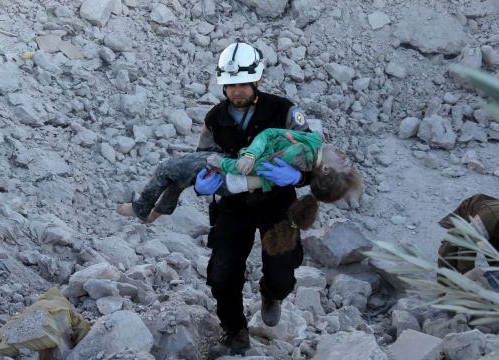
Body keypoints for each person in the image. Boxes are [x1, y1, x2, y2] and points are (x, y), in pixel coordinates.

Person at [174, 41, 357, 356]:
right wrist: (202, 180)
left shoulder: (283, 111)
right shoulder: (215, 118)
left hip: (277, 204)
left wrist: (297, 178)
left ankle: (272, 295)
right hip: (233, 205)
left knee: (282, 273)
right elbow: (204, 155)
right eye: (230, 85)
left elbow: (314, 156)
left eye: (243, 84)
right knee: (221, 274)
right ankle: (235, 332)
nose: (237, 91)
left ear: (256, 80)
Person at [116, 128, 363, 257]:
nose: (344, 156)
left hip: (230, 174)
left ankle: (141, 209)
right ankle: (156, 214)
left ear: (327, 170)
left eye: (343, 162)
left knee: (166, 169)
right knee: (179, 177)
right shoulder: (311, 150)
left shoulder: (298, 156)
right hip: (235, 174)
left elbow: (252, 166)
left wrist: (220, 163)